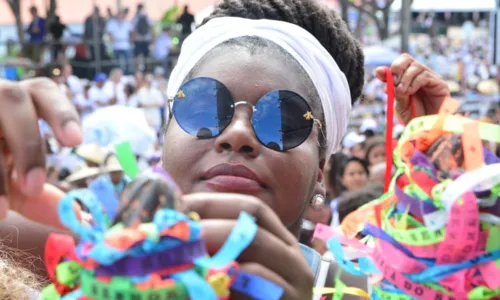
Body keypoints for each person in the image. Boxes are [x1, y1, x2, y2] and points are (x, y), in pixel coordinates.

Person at [0, 0, 451, 297]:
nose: (237, 133)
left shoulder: (357, 288)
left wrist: (447, 166)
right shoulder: (71, 250)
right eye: (202, 106)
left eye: (284, 120)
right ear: (164, 136)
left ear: (321, 170)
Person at [106, 9, 134, 74]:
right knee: (117, 63)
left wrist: (131, 40)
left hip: (125, 45)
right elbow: (109, 33)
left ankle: (127, 74)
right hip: (116, 46)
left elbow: (132, 32)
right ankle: (117, 74)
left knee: (127, 62)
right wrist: (112, 39)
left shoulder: (127, 23)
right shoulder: (112, 23)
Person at [132, 3, 152, 71]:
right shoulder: (139, 17)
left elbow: (149, 27)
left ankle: (146, 69)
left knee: (145, 56)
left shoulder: (143, 17)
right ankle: (139, 70)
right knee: (139, 56)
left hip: (143, 39)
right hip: (140, 39)